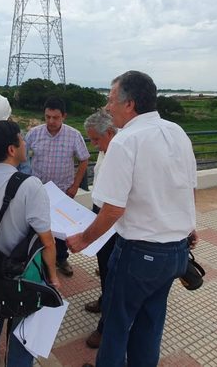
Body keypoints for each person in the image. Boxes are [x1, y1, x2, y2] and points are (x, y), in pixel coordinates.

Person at [67, 71, 198, 367]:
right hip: (175, 252)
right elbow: (188, 188)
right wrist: (189, 227)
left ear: (130, 104)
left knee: (116, 328)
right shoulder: (177, 132)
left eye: (111, 99)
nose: (107, 107)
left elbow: (112, 209)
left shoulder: (126, 141)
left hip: (139, 254)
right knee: (150, 326)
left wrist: (83, 239)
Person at [0, 120, 60, 367]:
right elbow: (47, 240)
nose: (25, 142)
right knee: (23, 334)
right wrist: (53, 277)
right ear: (12, 149)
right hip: (23, 276)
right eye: (21, 139)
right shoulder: (30, 185)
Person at [25, 96, 90, 276]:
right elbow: (22, 157)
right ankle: (38, 260)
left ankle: (61, 258)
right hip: (38, 191)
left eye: (55, 117)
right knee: (38, 226)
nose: (51, 121)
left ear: (64, 116)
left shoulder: (73, 135)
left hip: (63, 191)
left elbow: (84, 160)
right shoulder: (33, 134)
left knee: (62, 229)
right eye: (47, 117)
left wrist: (75, 185)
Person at [82, 110, 118, 349]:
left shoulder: (121, 154)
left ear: (111, 132)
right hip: (99, 212)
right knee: (103, 265)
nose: (94, 145)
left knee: (112, 271)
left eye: (96, 139)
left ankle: (106, 325)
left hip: (113, 221)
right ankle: (105, 300)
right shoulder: (107, 150)